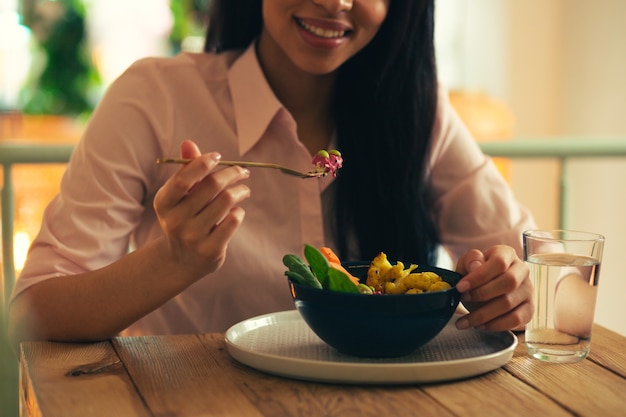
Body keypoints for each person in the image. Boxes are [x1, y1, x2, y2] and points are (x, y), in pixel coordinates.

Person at [9, 0, 535, 345]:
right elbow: (35, 312)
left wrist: (510, 284)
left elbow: (525, 261)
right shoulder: (154, 99)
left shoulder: (418, 115)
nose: (335, 2)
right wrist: (173, 261)